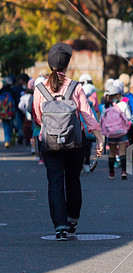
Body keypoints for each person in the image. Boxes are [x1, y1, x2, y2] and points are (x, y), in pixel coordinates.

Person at [33, 42, 103, 241]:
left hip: (49, 142)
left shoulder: (40, 88)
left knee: (54, 182)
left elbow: (38, 117)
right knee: (73, 180)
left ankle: (60, 226)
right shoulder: (75, 87)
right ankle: (73, 220)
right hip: (75, 142)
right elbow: (87, 114)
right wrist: (98, 137)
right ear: (67, 64)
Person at [101, 85, 131, 180]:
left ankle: (111, 172)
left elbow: (101, 120)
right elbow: (129, 118)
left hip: (111, 133)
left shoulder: (105, 107)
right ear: (118, 95)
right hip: (122, 132)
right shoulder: (123, 105)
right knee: (122, 152)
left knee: (112, 152)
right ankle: (123, 171)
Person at [81, 83, 98, 173]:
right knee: (88, 147)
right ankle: (86, 163)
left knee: (81, 148)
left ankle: (81, 164)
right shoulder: (91, 104)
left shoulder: (78, 102)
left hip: (80, 129)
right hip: (89, 129)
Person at [0, 77, 17, 148]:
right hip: (11, 112)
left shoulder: (1, 92)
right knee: (10, 126)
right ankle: (10, 140)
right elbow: (15, 102)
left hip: (3, 112)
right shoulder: (12, 92)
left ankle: (7, 141)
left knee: (5, 126)